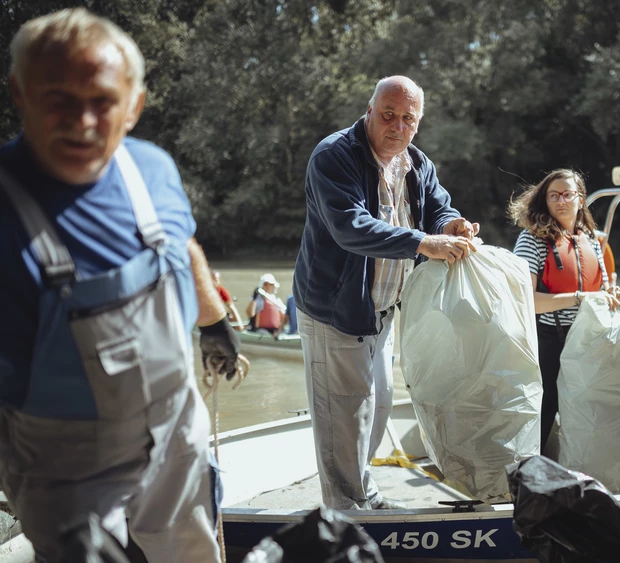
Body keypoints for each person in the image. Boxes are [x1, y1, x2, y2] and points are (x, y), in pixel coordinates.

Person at [0, 8, 242, 562]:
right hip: (64, 457)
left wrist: (213, 322)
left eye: (102, 101)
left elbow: (180, 246)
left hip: (175, 422)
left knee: (192, 551)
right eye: (57, 98)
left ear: (133, 106)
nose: (81, 121)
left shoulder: (152, 168)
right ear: (20, 93)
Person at [293, 75, 478, 510]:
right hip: (335, 311)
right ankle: (346, 512)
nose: (397, 126)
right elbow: (349, 228)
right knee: (345, 415)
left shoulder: (416, 161)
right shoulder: (334, 156)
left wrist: (451, 225)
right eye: (388, 115)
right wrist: (422, 242)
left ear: (419, 123)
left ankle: (361, 494)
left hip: (382, 309)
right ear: (370, 110)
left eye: (408, 119)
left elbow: (438, 206)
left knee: (376, 406)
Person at [509, 169, 620, 455]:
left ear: (581, 199)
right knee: (544, 408)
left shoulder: (591, 238)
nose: (561, 201)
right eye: (553, 195)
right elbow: (526, 301)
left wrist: (614, 292)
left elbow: (605, 284)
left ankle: (580, 470)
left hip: (587, 337)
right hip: (547, 337)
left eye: (567, 194)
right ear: (545, 201)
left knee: (586, 409)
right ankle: (526, 477)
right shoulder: (531, 240)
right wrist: (578, 298)